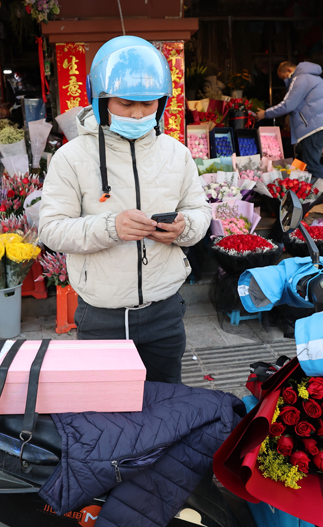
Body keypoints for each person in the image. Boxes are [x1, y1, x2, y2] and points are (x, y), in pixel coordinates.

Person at [38, 36, 211, 384]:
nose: (137, 114)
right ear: (100, 99)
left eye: (149, 104)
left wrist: (185, 228)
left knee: (166, 408)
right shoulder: (71, 158)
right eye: (126, 102)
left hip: (164, 312)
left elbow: (199, 210)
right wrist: (110, 227)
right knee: (107, 416)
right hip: (102, 316)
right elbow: (52, 229)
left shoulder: (175, 153)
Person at [257, 61, 323, 196]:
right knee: (305, 161)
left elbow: (287, 105)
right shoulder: (312, 76)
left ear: (289, 70)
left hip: (314, 127)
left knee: (312, 163)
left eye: (284, 78)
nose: (286, 82)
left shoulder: (299, 78)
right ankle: (310, 194)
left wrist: (265, 113)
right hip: (320, 125)